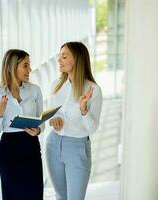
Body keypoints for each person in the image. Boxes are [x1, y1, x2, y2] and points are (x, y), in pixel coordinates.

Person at [46, 42, 103, 200]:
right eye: (60, 56)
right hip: (53, 144)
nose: (59, 60)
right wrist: (54, 119)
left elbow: (92, 128)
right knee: (60, 196)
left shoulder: (93, 90)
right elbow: (51, 114)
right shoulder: (56, 86)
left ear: (77, 59)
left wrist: (83, 109)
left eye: (64, 56)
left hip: (77, 148)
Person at [0, 49, 44, 200]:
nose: (30, 70)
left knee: (34, 195)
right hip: (9, 150)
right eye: (25, 66)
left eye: (29, 65)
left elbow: (42, 122)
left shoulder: (35, 90)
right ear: (12, 67)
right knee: (12, 195)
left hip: (31, 146)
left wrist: (38, 130)